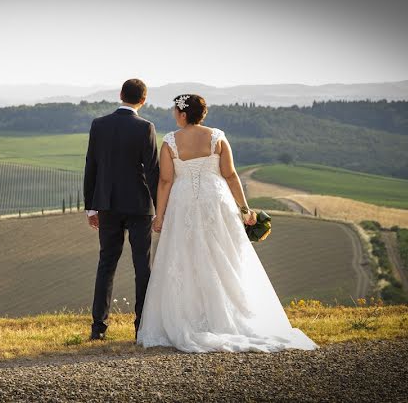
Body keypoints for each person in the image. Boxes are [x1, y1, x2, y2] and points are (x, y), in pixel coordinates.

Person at [135, 94, 318, 352]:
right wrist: (245, 209)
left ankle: (193, 316)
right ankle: (230, 315)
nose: (174, 115)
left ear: (184, 114)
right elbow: (230, 175)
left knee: (185, 257)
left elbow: (165, 181)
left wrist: (160, 215)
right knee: (225, 255)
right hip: (216, 200)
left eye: (175, 111)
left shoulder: (170, 142)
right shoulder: (217, 137)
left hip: (184, 201)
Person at [83, 78, 159, 340]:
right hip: (139, 205)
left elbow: (90, 166)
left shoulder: (99, 125)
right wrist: (160, 208)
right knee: (142, 266)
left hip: (107, 205)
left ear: (120, 95)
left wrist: (90, 208)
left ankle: (98, 328)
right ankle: (142, 326)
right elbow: (152, 171)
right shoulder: (146, 127)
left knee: (106, 263)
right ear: (143, 100)